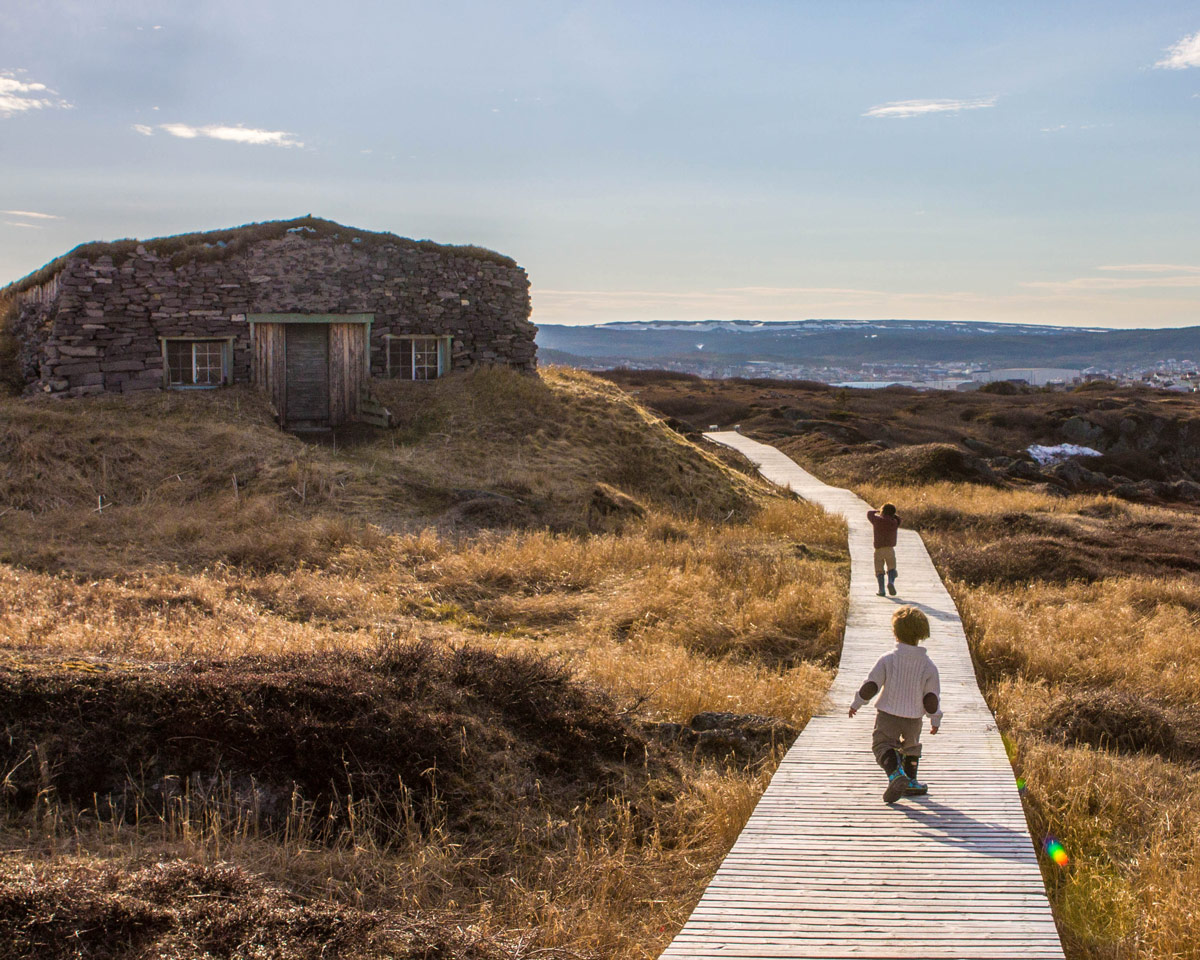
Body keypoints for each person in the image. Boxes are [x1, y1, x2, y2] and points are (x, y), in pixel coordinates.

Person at [847, 606, 942, 803]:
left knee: (882, 744)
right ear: (922, 634)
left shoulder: (887, 659)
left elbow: (871, 685)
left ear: (895, 631)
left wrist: (857, 702)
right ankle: (911, 782)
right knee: (912, 747)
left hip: (888, 713)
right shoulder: (928, 665)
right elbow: (931, 698)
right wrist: (935, 718)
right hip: (914, 716)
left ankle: (895, 775)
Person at [866, 502, 901, 596]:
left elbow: (869, 513)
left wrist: (877, 511)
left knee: (879, 569)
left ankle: (881, 590)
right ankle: (891, 582)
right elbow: (899, 519)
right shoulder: (894, 522)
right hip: (890, 549)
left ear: (883, 511)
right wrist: (893, 515)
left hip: (879, 549)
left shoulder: (877, 520)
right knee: (892, 568)